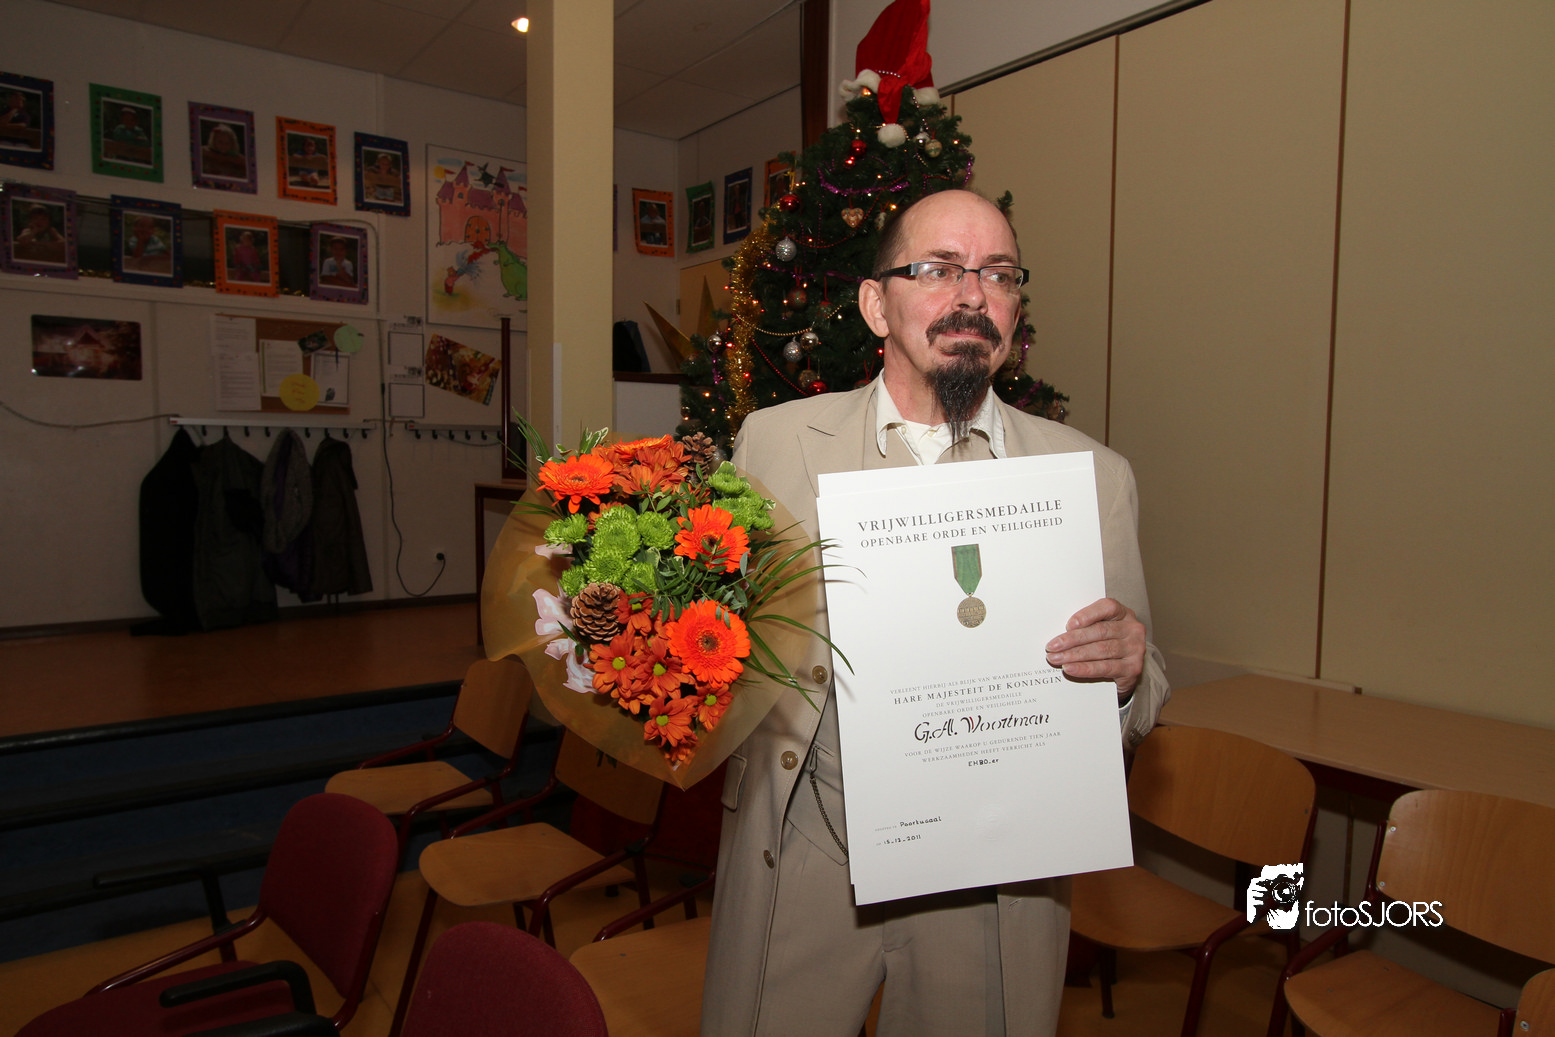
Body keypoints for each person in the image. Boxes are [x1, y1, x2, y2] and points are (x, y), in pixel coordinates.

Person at [701, 189, 1171, 1037]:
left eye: (997, 274)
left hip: (991, 879)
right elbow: (722, 635)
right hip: (808, 846)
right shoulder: (773, 443)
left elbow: (1144, 687)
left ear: (1014, 310)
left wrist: (1127, 671)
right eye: (939, 269)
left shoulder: (1090, 477)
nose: (971, 295)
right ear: (876, 305)